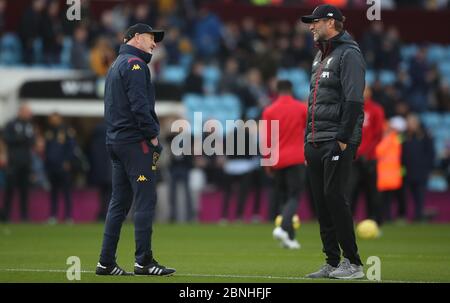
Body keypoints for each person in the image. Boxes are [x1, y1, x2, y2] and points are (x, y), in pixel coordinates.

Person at [96, 23, 175, 276]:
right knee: (144, 202)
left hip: (116, 141)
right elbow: (139, 106)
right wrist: (152, 136)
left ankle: (105, 262)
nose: (155, 44)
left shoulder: (117, 64)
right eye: (152, 38)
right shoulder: (135, 65)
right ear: (137, 38)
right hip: (134, 143)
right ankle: (144, 261)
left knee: (118, 204)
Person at [301, 5, 365, 279]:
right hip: (315, 141)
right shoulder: (319, 56)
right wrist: (308, 139)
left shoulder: (349, 54)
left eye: (314, 22)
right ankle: (332, 261)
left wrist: (342, 139)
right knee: (322, 202)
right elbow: (313, 102)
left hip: (336, 140)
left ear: (331, 22)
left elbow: (353, 100)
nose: (310, 27)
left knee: (335, 198)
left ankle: (354, 263)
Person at [261, 80, 307, 250]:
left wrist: (267, 161)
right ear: (291, 89)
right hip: (296, 158)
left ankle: (290, 238)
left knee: (283, 197)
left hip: (278, 159)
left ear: (276, 90)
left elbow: (266, 138)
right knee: (294, 196)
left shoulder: (269, 110)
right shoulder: (301, 108)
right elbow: (307, 129)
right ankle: (282, 228)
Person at [350, 87, 385, 224]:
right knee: (351, 189)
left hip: (369, 158)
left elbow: (378, 135)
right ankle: (348, 219)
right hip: (353, 157)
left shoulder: (376, 109)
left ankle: (374, 219)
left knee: (371, 191)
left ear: (370, 93)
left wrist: (367, 153)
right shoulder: (352, 108)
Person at [1, 104, 35, 222]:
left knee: (24, 191)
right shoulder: (11, 124)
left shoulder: (29, 126)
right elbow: (6, 138)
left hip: (26, 162)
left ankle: (24, 216)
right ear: (20, 112)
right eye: (27, 112)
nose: (29, 114)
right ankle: (5, 215)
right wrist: (20, 139)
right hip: (13, 162)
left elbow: (32, 140)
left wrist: (21, 139)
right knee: (10, 189)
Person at [402, 114, 435, 222]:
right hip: (406, 171)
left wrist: (428, 169)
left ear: (417, 124)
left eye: (412, 122)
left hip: (421, 171)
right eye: (408, 122)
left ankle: (419, 216)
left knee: (419, 196)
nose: (410, 125)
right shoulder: (403, 136)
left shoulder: (425, 136)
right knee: (405, 196)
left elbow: (431, 154)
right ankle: (404, 216)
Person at [44, 113, 76, 224]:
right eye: (51, 119)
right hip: (52, 166)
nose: (53, 121)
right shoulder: (49, 132)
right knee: (53, 192)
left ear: (60, 119)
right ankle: (53, 215)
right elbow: (47, 149)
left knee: (66, 192)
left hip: (63, 166)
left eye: (55, 119)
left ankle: (68, 216)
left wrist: (68, 161)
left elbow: (72, 147)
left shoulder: (67, 131)